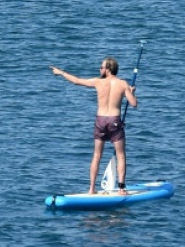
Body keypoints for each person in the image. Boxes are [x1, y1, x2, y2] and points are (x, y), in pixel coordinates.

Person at [51, 57, 137, 195]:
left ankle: (91, 189)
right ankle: (121, 189)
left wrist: (61, 72)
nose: (99, 69)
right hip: (114, 121)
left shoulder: (98, 82)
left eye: (102, 67)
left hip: (100, 120)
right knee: (121, 155)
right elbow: (134, 104)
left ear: (108, 69)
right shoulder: (122, 84)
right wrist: (131, 92)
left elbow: (76, 81)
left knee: (97, 155)